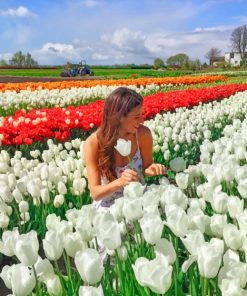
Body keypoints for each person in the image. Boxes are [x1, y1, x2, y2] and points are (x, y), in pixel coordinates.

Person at [84, 87, 166, 207]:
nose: (142, 120)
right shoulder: (94, 143)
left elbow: (147, 167)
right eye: (136, 117)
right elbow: (95, 193)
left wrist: (153, 169)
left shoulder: (143, 135)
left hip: (137, 198)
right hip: (109, 206)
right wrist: (120, 182)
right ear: (119, 117)